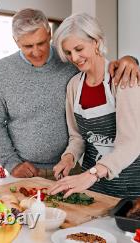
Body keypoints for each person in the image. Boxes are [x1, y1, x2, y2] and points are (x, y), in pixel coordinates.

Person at [0, 8, 140, 178]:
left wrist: (131, 60)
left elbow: (100, 66)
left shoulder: (68, 61)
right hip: (24, 171)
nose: (36, 52)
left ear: (49, 33)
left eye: (41, 43)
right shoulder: (2, 71)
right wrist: (12, 163)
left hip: (71, 171)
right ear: (16, 41)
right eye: (28, 46)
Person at [48, 13, 140, 199]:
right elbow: (78, 137)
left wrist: (92, 174)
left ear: (96, 42)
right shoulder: (74, 85)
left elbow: (133, 142)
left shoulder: (123, 79)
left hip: (129, 190)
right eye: (68, 52)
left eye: (79, 48)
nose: (74, 57)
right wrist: (69, 158)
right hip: (91, 189)